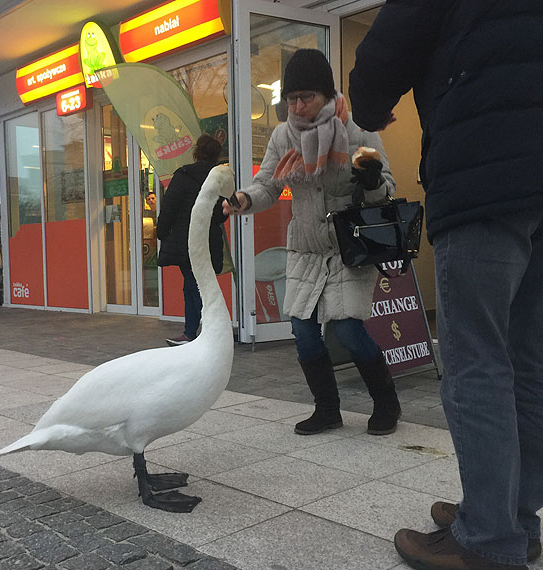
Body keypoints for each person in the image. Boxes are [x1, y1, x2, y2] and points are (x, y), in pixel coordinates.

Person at [349, 2, 543, 569]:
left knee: (477, 359)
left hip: (488, 169)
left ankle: (486, 538)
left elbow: (384, 55)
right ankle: (513, 518)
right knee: (528, 362)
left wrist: (371, 106)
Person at [223, 48, 401, 437]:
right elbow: (268, 185)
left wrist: (369, 181)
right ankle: (327, 409)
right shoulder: (282, 135)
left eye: (307, 97)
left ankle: (387, 402)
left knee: (350, 331)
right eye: (291, 99)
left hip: (348, 247)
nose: (299, 106)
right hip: (305, 247)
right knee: (303, 331)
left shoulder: (356, 128)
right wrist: (244, 199)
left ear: (326, 94)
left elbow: (387, 188)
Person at [157, 134, 228, 346]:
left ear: (197, 152)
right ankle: (200, 331)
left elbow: (169, 206)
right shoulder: (218, 179)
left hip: (186, 240)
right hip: (209, 240)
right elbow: (221, 213)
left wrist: (162, 232)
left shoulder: (183, 175)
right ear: (216, 155)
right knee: (201, 285)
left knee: (192, 285)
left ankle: (191, 333)